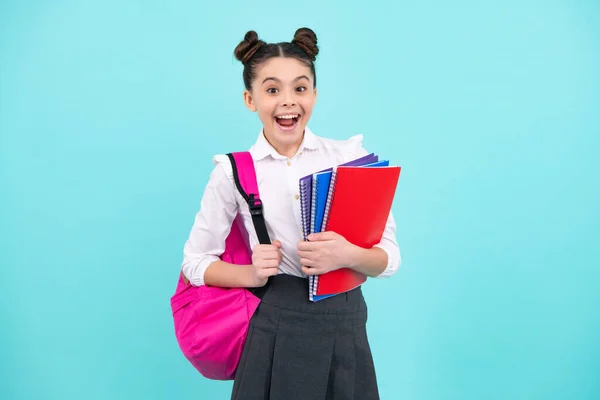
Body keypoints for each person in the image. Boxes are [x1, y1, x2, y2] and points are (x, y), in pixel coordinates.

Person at [180, 27, 401, 400]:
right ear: (250, 100)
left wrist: (347, 255)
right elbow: (195, 263)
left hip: (344, 322)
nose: (288, 101)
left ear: (314, 94)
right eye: (272, 90)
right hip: (274, 323)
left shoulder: (348, 160)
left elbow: (389, 258)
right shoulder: (232, 171)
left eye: (300, 88)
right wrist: (251, 273)